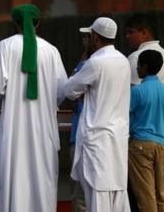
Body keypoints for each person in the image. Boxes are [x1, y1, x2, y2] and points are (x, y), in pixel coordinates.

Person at [0, 4, 68, 212]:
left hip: (15, 130)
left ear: (15, 23)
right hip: (44, 130)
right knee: (43, 179)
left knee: (14, 179)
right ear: (38, 23)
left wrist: (14, 91)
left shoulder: (5, 46)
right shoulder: (51, 51)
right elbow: (62, 91)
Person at [65, 17, 131, 212]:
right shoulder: (123, 61)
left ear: (95, 37)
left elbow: (70, 90)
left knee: (96, 192)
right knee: (118, 190)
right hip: (117, 137)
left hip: (97, 138)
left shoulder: (95, 63)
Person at [128, 50, 164, 212]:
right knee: (160, 192)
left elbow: (125, 113)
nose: (136, 69)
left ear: (144, 66)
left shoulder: (137, 91)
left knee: (146, 195)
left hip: (140, 144)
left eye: (138, 65)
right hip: (161, 144)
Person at [68, 32, 92, 212]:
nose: (84, 40)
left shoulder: (88, 66)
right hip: (86, 136)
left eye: (88, 38)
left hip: (81, 138)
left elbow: (69, 91)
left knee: (80, 194)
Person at [125, 12, 164, 88]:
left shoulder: (135, 57)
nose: (127, 36)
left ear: (144, 33)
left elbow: (131, 93)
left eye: (130, 32)